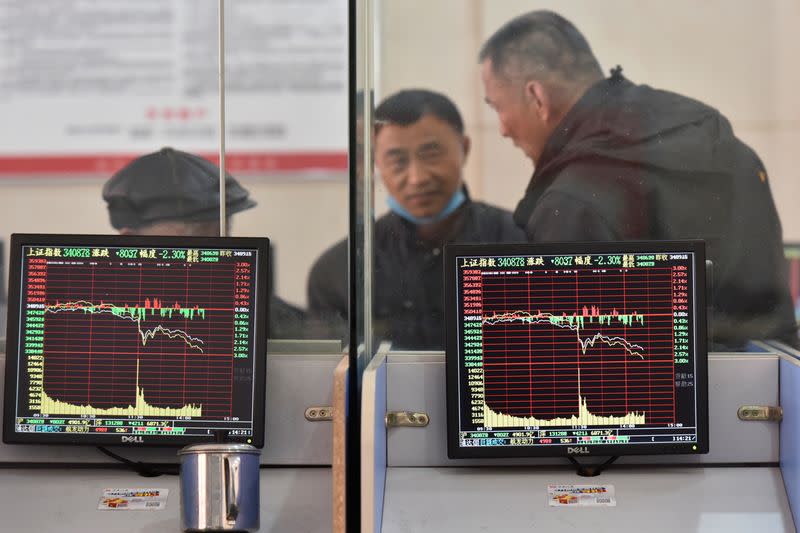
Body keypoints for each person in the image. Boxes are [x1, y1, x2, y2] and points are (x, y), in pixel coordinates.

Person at [478, 10, 796, 349]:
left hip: (651, 399)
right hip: (773, 391)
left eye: (497, 107)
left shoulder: (573, 200)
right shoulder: (725, 146)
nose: (502, 129)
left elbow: (573, 372)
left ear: (536, 97)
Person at [307, 89, 525, 349]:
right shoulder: (340, 270)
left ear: (464, 149)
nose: (417, 178)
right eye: (397, 161)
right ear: (377, 164)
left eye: (431, 155)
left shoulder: (521, 242)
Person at [103, 146, 307, 339]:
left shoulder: (256, 313)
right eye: (192, 246)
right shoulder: (100, 316)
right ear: (129, 241)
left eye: (222, 241)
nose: (215, 260)